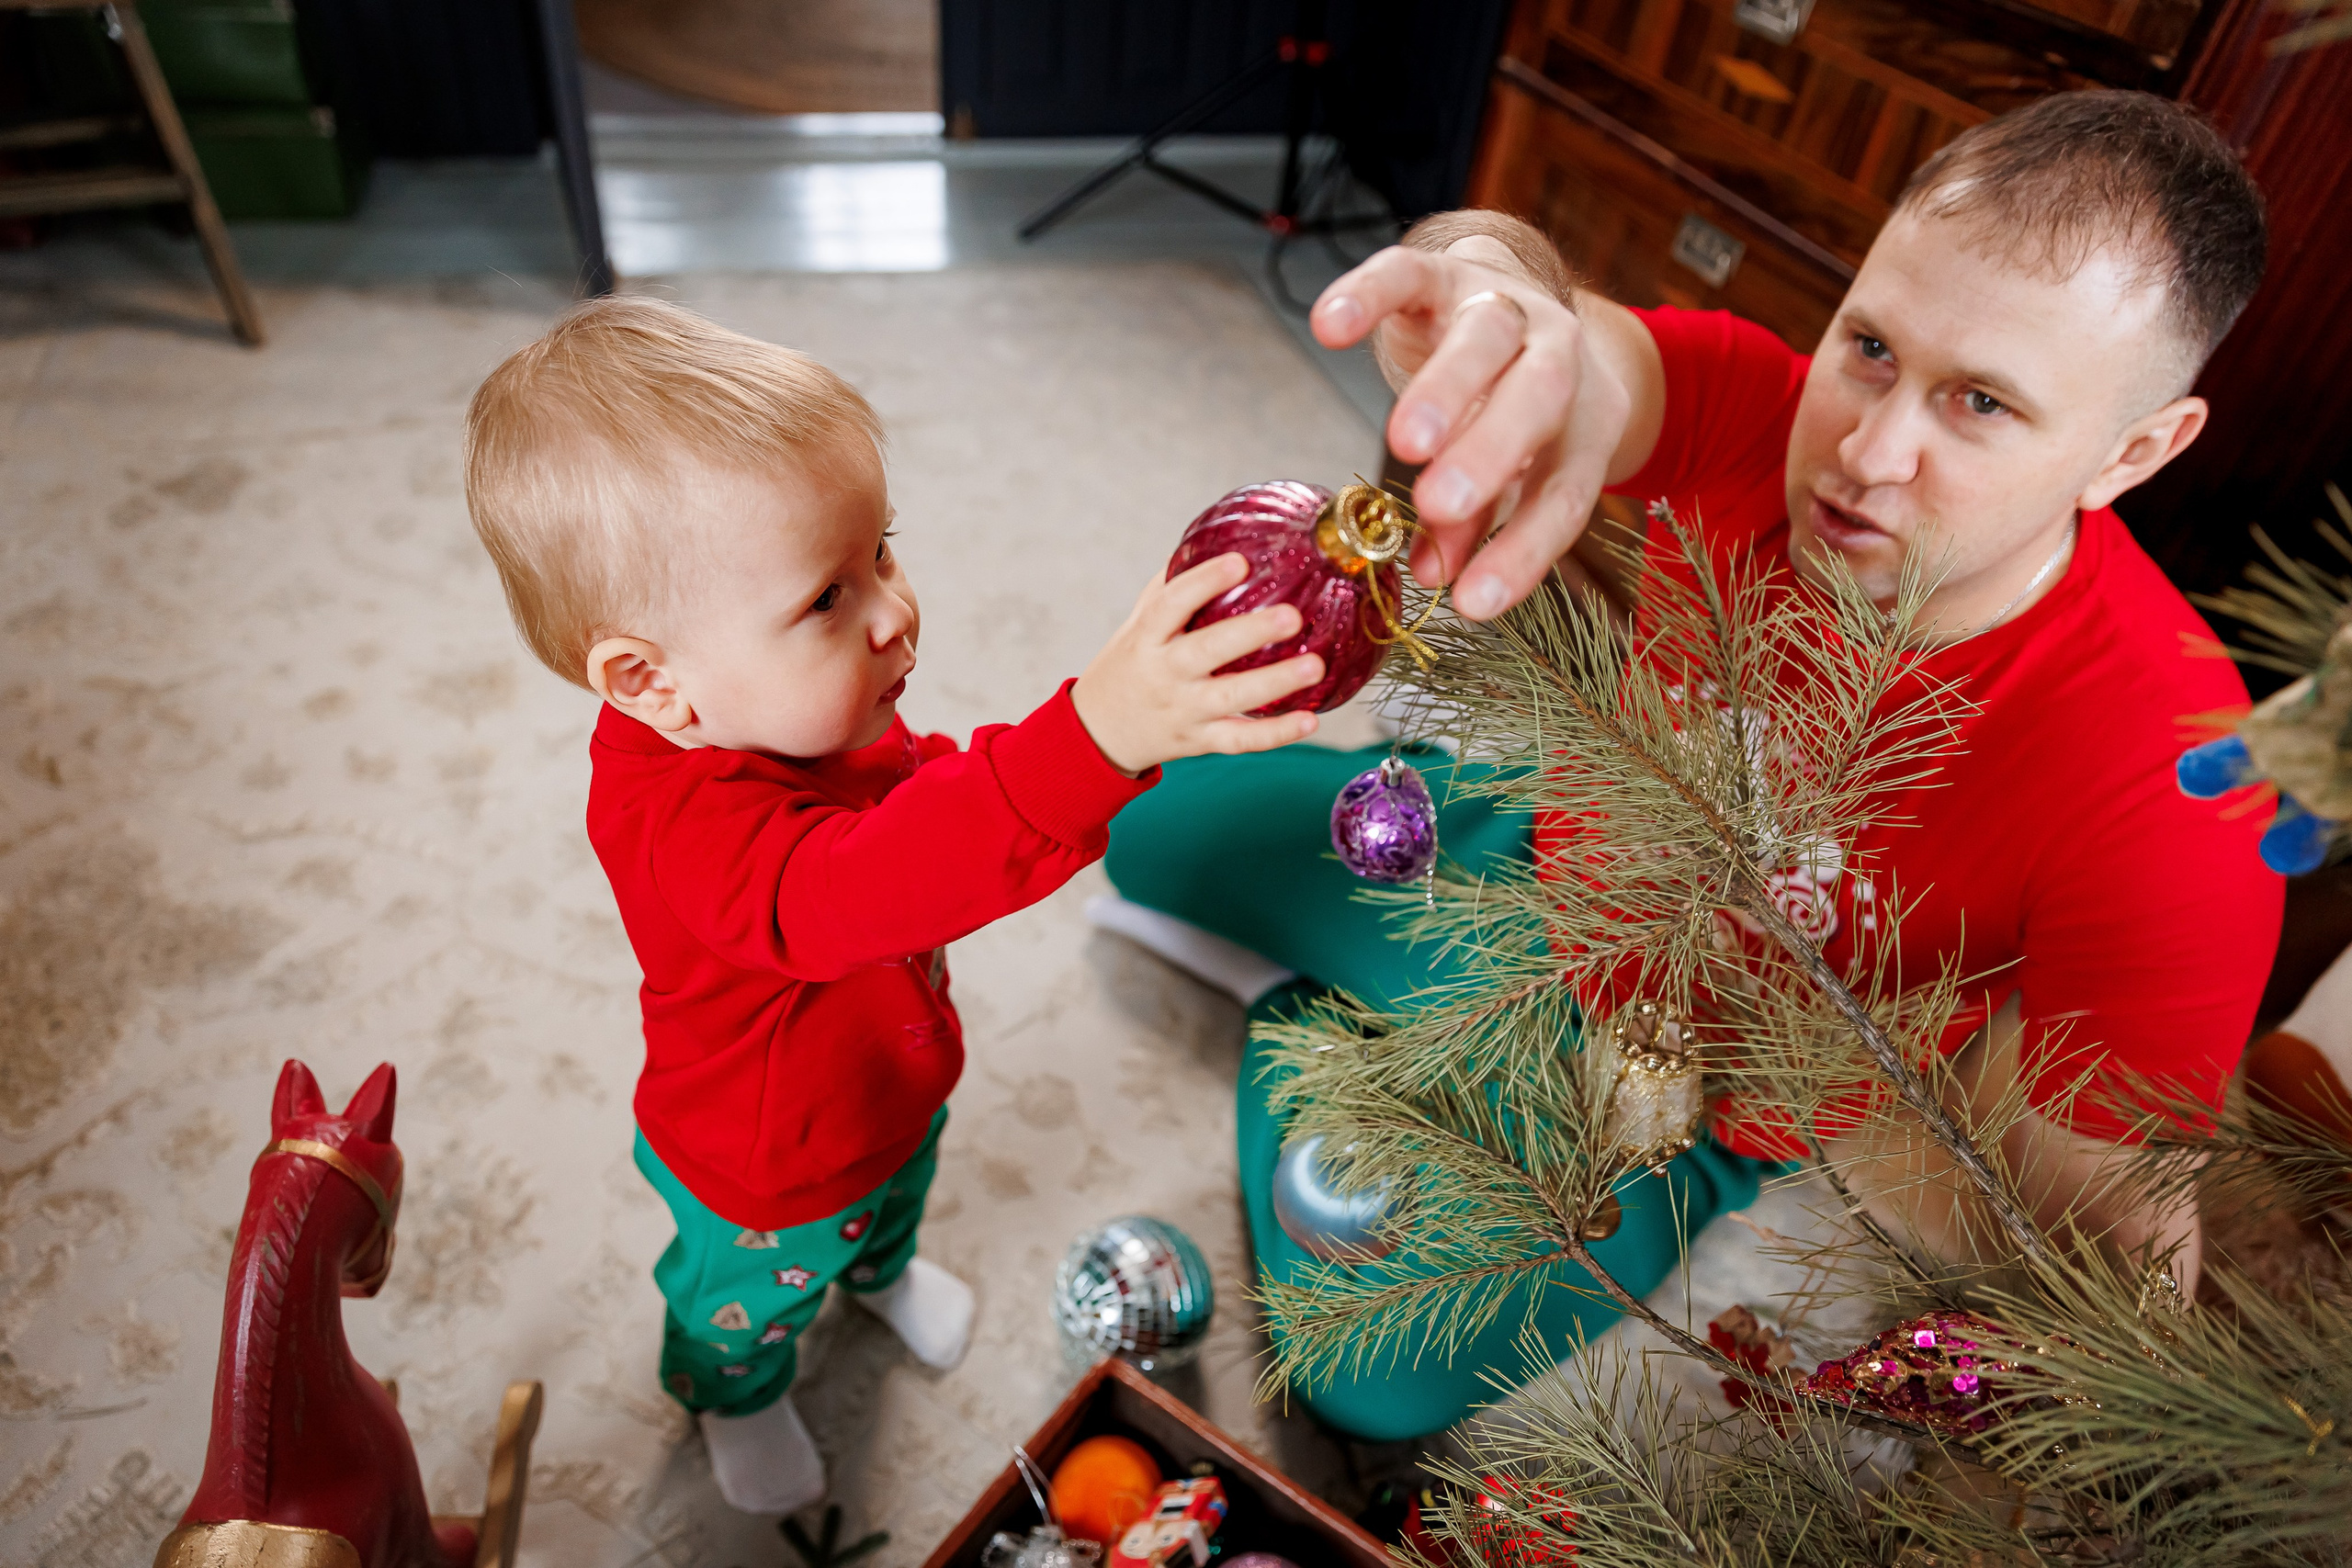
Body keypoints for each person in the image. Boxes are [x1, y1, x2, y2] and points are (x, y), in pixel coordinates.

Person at [1102, 89, 2282, 1440]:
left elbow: (2116, 1230)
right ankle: (1388, 946)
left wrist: (2144, 1408)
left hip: (1685, 1101)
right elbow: (1576, 343)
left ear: (2134, 452)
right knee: (1141, 830)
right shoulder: (1760, 408)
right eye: (1872, 346)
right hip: (1527, 860)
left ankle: (1304, 1024)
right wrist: (1489, 282)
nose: (1864, 452)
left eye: (1980, 403)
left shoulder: (2180, 788)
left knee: (1365, 1372)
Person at [461, 298, 1322, 1511]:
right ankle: (733, 1399)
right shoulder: (677, 827)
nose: (893, 610)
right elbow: (869, 884)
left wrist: (1097, 750)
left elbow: (933, 798)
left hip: (891, 1081)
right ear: (652, 681)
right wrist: (1090, 737)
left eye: (883, 551)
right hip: (762, 1169)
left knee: (895, 1199)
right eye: (827, 597)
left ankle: (882, 1274)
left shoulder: (800, 717)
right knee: (742, 1311)